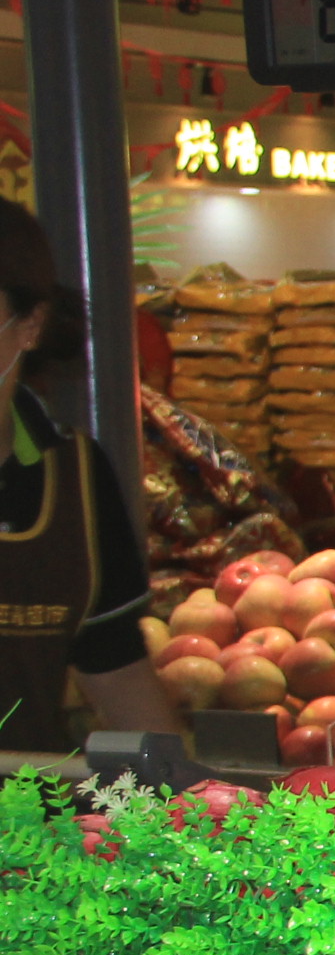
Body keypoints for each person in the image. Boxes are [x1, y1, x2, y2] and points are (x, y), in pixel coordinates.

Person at [0, 201, 171, 748]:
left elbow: (118, 671)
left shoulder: (73, 479)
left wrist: (193, 792)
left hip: (22, 801)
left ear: (29, 326)